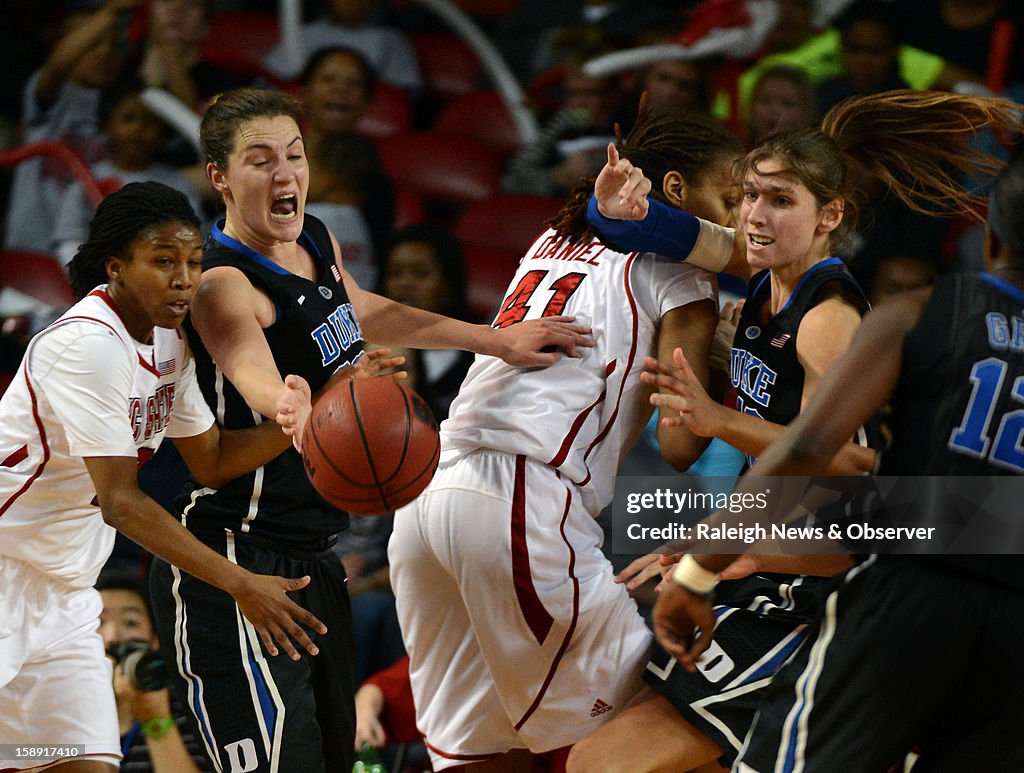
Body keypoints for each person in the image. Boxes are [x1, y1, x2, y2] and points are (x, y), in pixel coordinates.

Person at [149, 87, 593, 773]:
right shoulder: (222, 282)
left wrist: (496, 339)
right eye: (260, 161)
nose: (285, 174)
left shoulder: (315, 239)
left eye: (294, 155)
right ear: (219, 177)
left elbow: (367, 309)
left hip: (313, 559)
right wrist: (301, 406)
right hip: (233, 555)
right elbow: (248, 366)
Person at [574, 89, 1014, 772]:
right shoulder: (760, 272)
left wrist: (720, 424)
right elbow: (654, 231)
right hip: (769, 543)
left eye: (778, 200)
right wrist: (614, 205)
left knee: (604, 762)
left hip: (822, 572)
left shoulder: (830, 316)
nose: (753, 213)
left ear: (829, 215)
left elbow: (845, 463)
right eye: (749, 193)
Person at [386, 104, 742, 771]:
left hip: (429, 500)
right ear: (676, 195)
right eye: (727, 195)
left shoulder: (555, 235)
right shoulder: (687, 275)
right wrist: (722, 359)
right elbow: (679, 443)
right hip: (520, 497)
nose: (734, 216)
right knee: (680, 707)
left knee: (481, 753)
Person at [0, 180, 326, 772]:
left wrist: (316, 417)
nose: (184, 278)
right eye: (163, 261)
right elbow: (121, 503)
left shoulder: (168, 346)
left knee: (76, 762)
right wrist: (239, 582)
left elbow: (214, 459)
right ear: (116, 267)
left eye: (194, 262)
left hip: (64, 596)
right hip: (3, 575)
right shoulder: (88, 345)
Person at [4, 0, 133, 254]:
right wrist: (111, 11)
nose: (104, 53)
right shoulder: (50, 94)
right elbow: (58, 65)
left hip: (87, 250)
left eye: (114, 46)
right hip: (30, 245)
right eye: (92, 43)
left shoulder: (125, 106)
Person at [52, 76, 204, 268]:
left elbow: (192, 240)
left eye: (149, 122)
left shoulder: (177, 184)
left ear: (163, 134)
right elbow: (69, 240)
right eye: (128, 119)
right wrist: (95, 283)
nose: (138, 129)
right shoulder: (87, 179)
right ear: (108, 126)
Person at [96, 568, 210, 772]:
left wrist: (155, 719)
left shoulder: (188, 706)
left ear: (155, 639)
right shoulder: (59, 707)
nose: (112, 637)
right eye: (98, 622)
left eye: (131, 622)